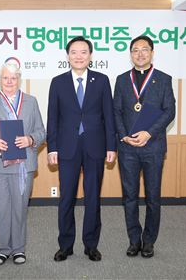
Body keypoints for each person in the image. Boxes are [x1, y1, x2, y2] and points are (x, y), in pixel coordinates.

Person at [47, 36, 116, 262]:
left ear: (90, 56)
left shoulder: (102, 80)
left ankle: (91, 245)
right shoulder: (57, 82)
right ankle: (65, 245)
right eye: (74, 52)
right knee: (66, 198)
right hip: (67, 148)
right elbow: (52, 117)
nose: (79, 56)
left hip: (95, 147)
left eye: (83, 52)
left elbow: (109, 115)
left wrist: (111, 146)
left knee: (93, 198)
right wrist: (52, 147)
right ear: (68, 56)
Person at [0, 63, 45, 266]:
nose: (9, 82)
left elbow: (42, 132)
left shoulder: (31, 102)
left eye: (13, 78)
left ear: (19, 80)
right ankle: (3, 249)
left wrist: (31, 139)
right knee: (0, 208)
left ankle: (18, 249)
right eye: (5, 78)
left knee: (19, 208)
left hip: (24, 165)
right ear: (0, 80)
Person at [113, 35, 176, 258]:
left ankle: (149, 241)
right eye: (135, 50)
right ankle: (134, 240)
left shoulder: (164, 79)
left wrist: (149, 133)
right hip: (128, 148)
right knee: (129, 196)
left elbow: (170, 111)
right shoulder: (121, 80)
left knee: (152, 197)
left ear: (152, 52)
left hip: (153, 147)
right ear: (130, 54)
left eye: (144, 49)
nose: (140, 54)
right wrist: (124, 136)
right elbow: (116, 111)